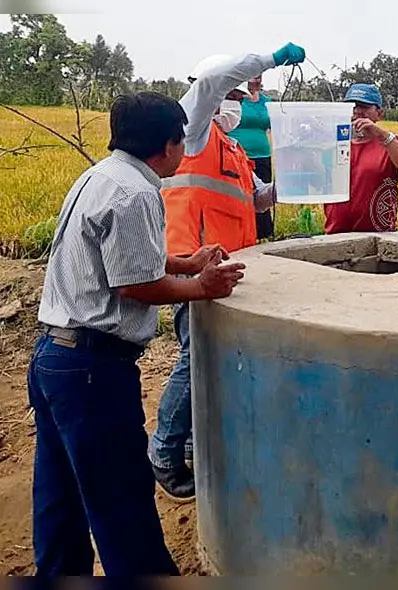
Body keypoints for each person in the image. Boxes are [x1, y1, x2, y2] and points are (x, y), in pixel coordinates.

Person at [29, 91, 246, 576]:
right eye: (181, 142)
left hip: (55, 357)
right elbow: (134, 285)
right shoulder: (138, 192)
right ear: (166, 145)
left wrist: (183, 261)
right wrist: (201, 285)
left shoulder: (103, 176)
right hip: (92, 369)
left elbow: (117, 253)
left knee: (59, 495)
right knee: (121, 498)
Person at [150, 44, 305, 503]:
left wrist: (296, 181)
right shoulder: (192, 132)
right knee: (195, 358)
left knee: (211, 360)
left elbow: (257, 200)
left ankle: (198, 446)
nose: (241, 101)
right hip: (191, 266)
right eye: (234, 94)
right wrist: (271, 60)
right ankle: (163, 451)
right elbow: (215, 78)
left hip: (230, 270)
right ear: (213, 96)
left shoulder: (234, 149)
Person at [323, 83, 398, 233]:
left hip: (379, 236)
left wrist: (381, 135)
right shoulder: (333, 143)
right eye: (353, 107)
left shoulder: (392, 143)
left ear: (379, 114)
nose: (357, 112)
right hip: (336, 235)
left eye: (364, 107)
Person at [227, 74, 275, 240]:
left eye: (239, 100)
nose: (257, 80)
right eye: (232, 98)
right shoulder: (205, 139)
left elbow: (260, 196)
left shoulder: (266, 101)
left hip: (257, 157)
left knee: (255, 195)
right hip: (237, 154)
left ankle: (261, 235)